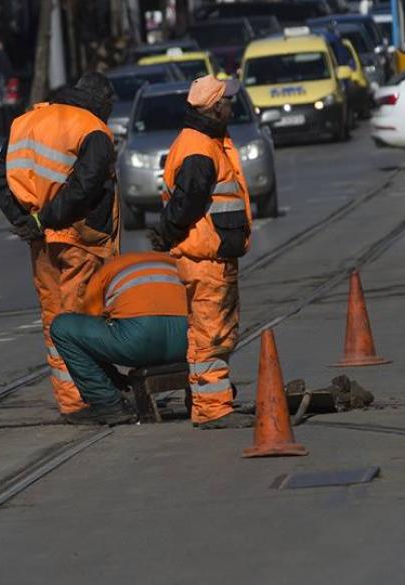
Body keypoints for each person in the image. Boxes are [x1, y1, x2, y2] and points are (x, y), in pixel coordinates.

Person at [0, 72, 120, 419]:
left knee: (54, 320)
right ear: (104, 103)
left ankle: (72, 400)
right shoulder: (93, 129)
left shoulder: (25, 121)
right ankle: (92, 397)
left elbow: (1, 181)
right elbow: (87, 185)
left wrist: (27, 222)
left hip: (41, 243)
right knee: (83, 319)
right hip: (80, 239)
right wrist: (48, 219)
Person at [154, 75, 254, 429]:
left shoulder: (205, 141)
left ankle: (206, 402)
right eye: (227, 100)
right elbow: (187, 202)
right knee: (212, 334)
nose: (232, 104)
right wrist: (166, 233)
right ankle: (213, 408)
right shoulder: (199, 148)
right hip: (205, 259)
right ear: (215, 107)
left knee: (205, 333)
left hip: (208, 256)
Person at [49, 251, 189, 425]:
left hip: (138, 342)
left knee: (63, 327)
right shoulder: (177, 263)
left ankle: (108, 405)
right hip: (187, 341)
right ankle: (200, 395)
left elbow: (93, 323)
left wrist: (113, 378)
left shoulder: (106, 270)